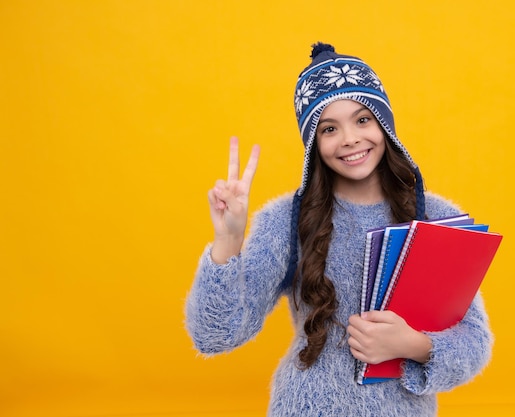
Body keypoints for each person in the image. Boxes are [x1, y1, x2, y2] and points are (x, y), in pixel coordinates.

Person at [185, 42, 493, 416]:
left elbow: (474, 342)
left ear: (385, 124)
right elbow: (214, 335)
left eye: (363, 119)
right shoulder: (287, 219)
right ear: (314, 143)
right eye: (330, 128)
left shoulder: (434, 217)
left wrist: (412, 345)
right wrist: (228, 239)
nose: (350, 138)